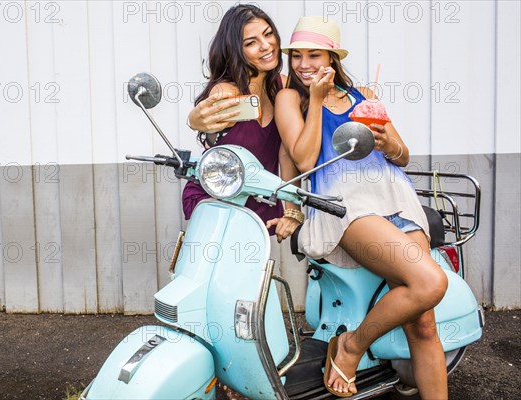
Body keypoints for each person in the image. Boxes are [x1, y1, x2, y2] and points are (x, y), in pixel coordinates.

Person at [274, 17, 448, 398]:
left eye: (314, 55)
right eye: (297, 56)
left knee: (424, 326)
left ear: (333, 58)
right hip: (346, 206)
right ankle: (351, 346)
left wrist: (388, 144)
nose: (303, 64)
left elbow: (402, 156)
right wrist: (317, 100)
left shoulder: (362, 94)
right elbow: (304, 160)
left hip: (396, 198)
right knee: (431, 282)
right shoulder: (290, 98)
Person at [183, 4, 302, 242]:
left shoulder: (284, 86)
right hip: (217, 200)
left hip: (261, 199)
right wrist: (194, 119)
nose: (266, 46)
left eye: (268, 34)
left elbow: (288, 152)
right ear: (236, 50)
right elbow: (206, 120)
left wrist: (293, 208)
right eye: (251, 43)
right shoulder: (227, 91)